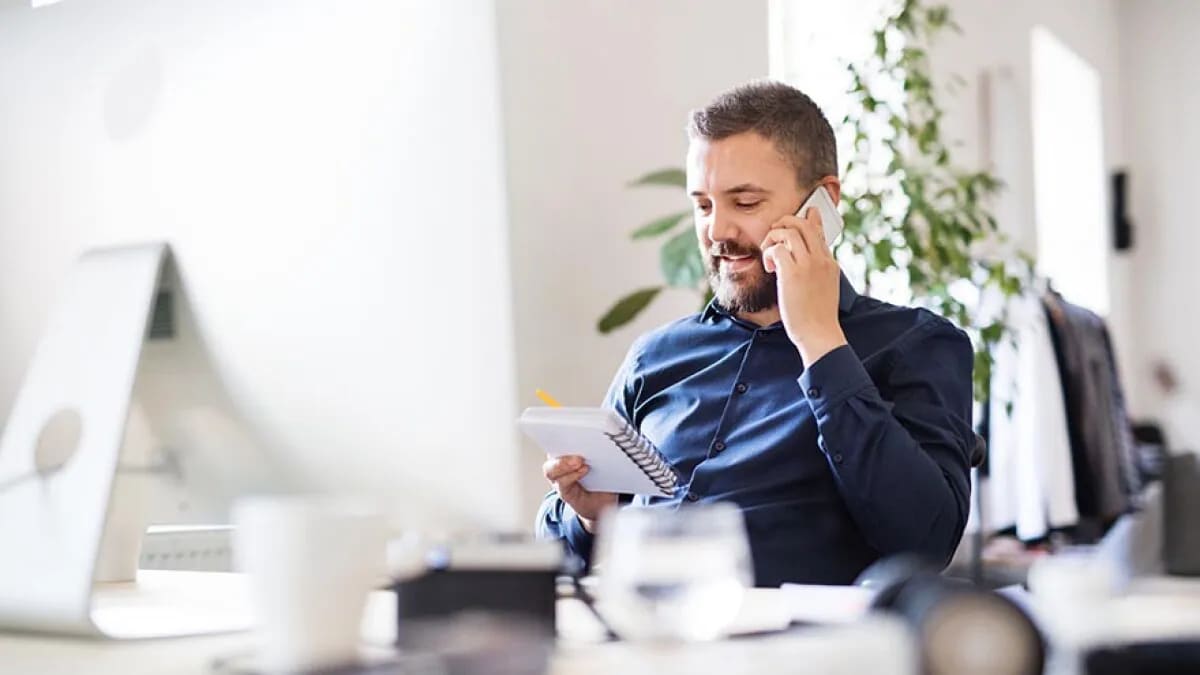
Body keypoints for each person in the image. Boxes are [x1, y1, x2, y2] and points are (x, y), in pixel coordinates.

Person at [536, 81, 975, 586]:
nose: (717, 231)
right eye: (703, 205)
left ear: (822, 204)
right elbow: (553, 561)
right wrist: (592, 516)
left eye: (744, 203)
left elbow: (926, 540)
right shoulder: (653, 357)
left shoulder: (915, 344)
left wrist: (820, 342)